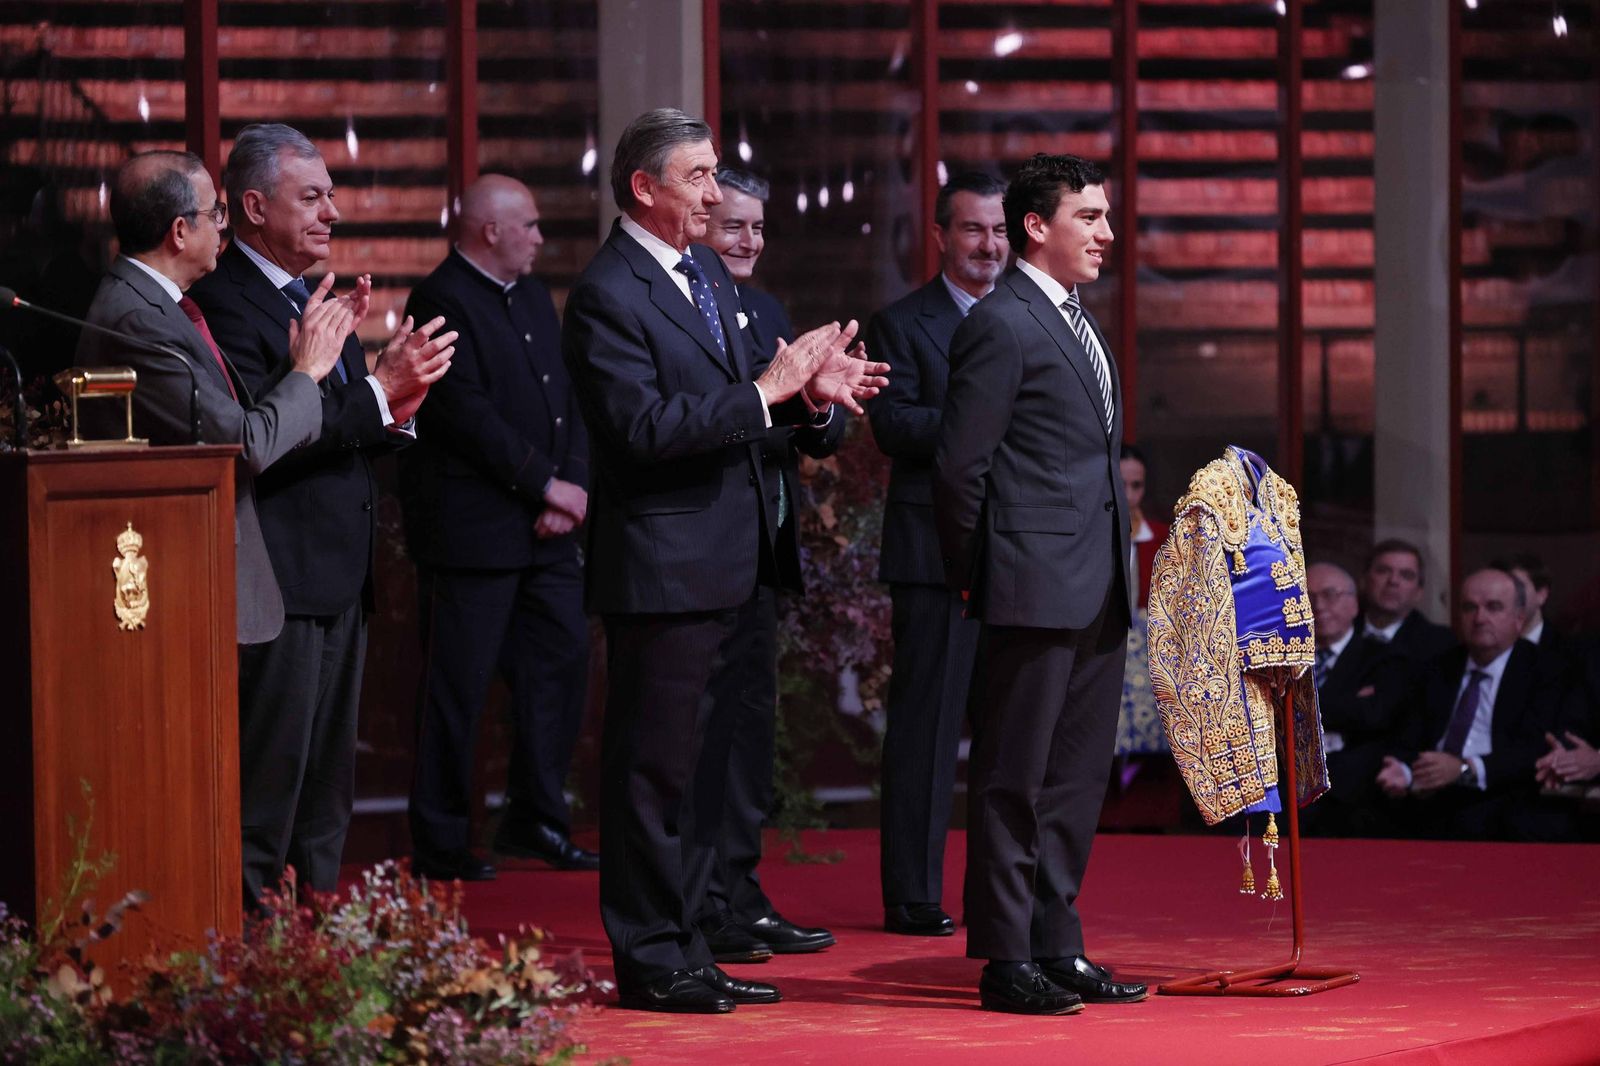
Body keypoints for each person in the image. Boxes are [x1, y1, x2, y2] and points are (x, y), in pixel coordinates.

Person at [561, 108, 887, 1014]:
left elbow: (763, 398)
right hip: (664, 569)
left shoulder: (701, 270)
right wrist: (767, 390)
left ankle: (692, 941)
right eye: (699, 176)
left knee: (706, 773)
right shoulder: (608, 292)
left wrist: (814, 400)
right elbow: (639, 433)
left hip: (736, 563)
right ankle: (651, 959)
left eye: (714, 174)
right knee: (652, 774)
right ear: (644, 187)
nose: (715, 191)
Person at [187, 123, 457, 908]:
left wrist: (395, 401)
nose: (331, 213)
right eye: (311, 198)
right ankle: (253, 961)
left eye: (331, 196)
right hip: (277, 581)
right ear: (252, 206)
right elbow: (270, 442)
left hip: (341, 579)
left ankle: (317, 958)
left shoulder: (316, 298)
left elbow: (341, 426)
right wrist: (374, 393)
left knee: (325, 795)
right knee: (269, 788)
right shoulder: (218, 307)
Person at [933, 153, 1147, 1015]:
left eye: (1104, 217)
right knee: (1012, 780)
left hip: (1097, 587)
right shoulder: (1003, 321)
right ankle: (1005, 958)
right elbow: (959, 471)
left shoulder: (1075, 317)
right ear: (1036, 225)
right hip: (1030, 586)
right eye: (1088, 217)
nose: (1105, 233)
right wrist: (980, 580)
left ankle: (1057, 943)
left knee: (1073, 781)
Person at [397, 175, 594, 882]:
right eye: (531, 226)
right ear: (491, 231)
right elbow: (462, 413)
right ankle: (443, 844)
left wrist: (565, 490)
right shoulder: (439, 299)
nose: (541, 238)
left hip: (546, 529)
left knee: (560, 667)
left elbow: (567, 397)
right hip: (474, 535)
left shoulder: (536, 295)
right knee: (458, 690)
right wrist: (547, 483)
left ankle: (536, 820)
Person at [76, 150, 351, 645]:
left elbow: (227, 419)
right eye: (215, 214)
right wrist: (307, 373)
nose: (222, 227)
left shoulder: (159, 304)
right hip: (175, 572)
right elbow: (243, 443)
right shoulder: (137, 320)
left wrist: (293, 368)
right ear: (180, 232)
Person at [691, 165, 839, 960]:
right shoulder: (693, 310)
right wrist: (776, 391)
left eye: (757, 228)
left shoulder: (770, 310)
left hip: (760, 554)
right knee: (703, 744)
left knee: (750, 739)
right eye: (731, 226)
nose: (747, 240)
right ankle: (702, 905)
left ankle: (741, 895)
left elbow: (811, 437)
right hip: (697, 554)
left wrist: (817, 400)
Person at [864, 171, 1006, 937]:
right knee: (925, 731)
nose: (989, 246)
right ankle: (912, 895)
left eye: (1000, 232)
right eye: (974, 231)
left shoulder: (1033, 317)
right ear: (942, 237)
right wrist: (982, 423)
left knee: (1013, 734)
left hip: (1021, 556)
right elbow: (892, 427)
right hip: (932, 555)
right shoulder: (900, 323)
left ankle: (1004, 900)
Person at [1376, 568, 1571, 840]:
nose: (1480, 618)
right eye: (1470, 608)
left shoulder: (1546, 670)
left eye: (1493, 607)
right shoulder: (1437, 668)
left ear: (1518, 619)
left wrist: (1464, 769)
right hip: (1431, 794)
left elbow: (1536, 747)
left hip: (1501, 792)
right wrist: (1404, 771)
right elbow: (1409, 736)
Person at [1298, 561, 1411, 837]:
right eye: (1308, 597)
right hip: (1290, 783)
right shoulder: (1281, 659)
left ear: (1354, 605)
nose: (1319, 606)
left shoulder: (1383, 657)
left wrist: (1303, 706)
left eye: (1330, 595)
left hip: (1350, 791)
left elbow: (1375, 715)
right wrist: (1347, 703)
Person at [1112, 443, 1170, 760]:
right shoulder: (1089, 540)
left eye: (1137, 485)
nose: (1130, 495)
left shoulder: (1163, 538)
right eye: (1121, 485)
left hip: (1151, 651)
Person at [1358, 538, 1456, 661]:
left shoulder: (1441, 646)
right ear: (1363, 581)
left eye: (1406, 575)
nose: (1393, 581)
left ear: (1419, 592)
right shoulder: (1339, 630)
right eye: (1383, 571)